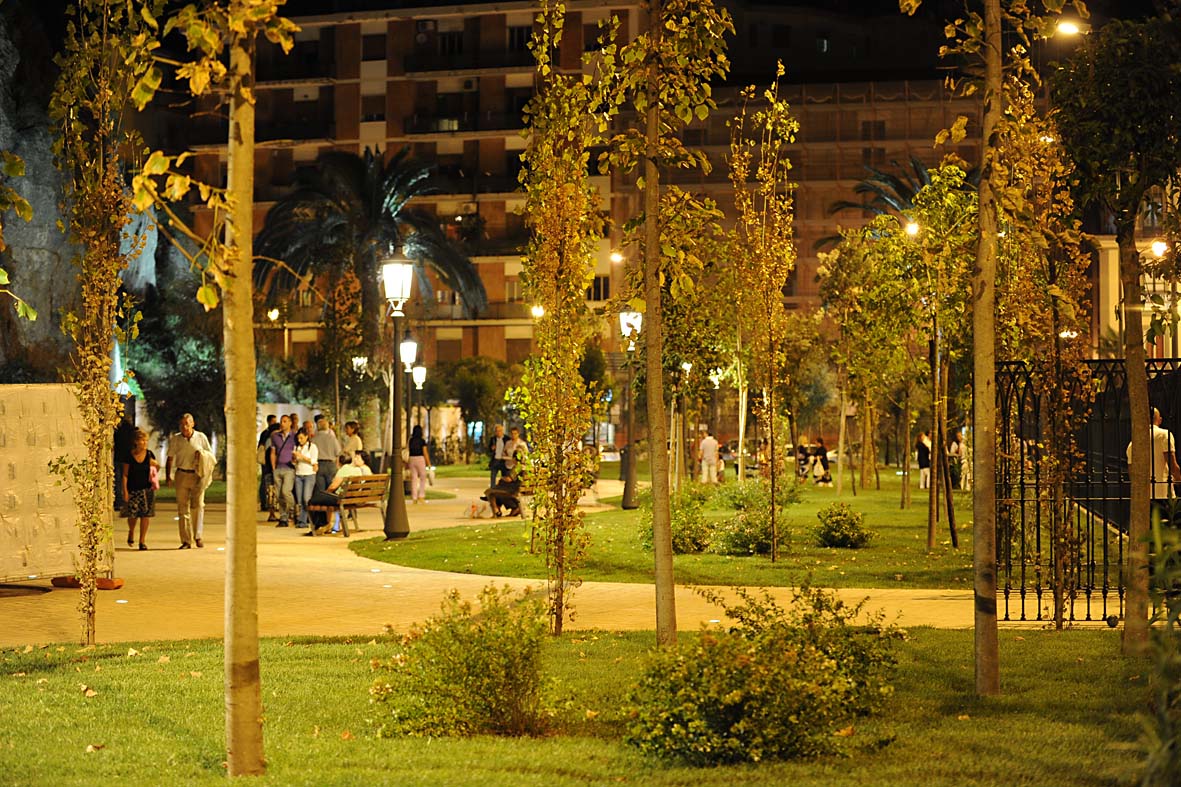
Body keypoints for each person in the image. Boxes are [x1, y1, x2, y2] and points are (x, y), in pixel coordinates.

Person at [165, 412, 213, 549]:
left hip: (197, 475)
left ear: (192, 424)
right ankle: (186, 540)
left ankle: (198, 536)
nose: (184, 427)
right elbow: (170, 457)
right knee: (182, 508)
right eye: (182, 424)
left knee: (198, 506)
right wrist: (168, 476)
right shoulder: (176, 439)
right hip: (181, 474)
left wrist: (202, 454)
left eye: (186, 423)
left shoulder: (201, 437)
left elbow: (210, 455)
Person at [1126, 406, 1181, 511]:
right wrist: (1178, 480)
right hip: (1163, 493)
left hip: (1143, 496)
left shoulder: (1133, 443)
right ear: (1160, 420)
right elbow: (1172, 465)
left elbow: (1132, 473)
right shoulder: (1164, 435)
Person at [121, 428, 158, 550]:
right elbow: (125, 475)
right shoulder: (129, 456)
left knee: (145, 515)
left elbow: (155, 470)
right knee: (132, 515)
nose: (145, 443)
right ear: (136, 441)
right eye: (142, 440)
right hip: (133, 489)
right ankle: (131, 531)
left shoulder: (149, 454)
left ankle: (142, 541)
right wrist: (125, 491)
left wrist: (156, 465)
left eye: (146, 441)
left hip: (147, 489)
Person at [309, 415, 342, 529]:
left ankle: (322, 521)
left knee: (321, 492)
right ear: (327, 426)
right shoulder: (332, 438)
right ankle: (333, 521)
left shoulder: (314, 439)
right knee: (332, 492)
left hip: (319, 466)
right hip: (331, 465)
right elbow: (338, 453)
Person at [269, 414, 297, 527]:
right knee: (279, 494)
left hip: (289, 468)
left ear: (290, 423)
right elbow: (273, 452)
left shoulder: (294, 437)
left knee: (286, 492)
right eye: (281, 421)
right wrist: (273, 467)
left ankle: (293, 510)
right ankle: (283, 517)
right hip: (278, 468)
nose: (282, 423)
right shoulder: (275, 436)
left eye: (285, 421)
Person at [292, 428, 318, 529]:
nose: (299, 440)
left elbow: (313, 461)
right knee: (300, 499)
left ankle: (305, 520)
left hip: (309, 475)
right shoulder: (296, 447)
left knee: (306, 498)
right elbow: (295, 462)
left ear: (307, 437)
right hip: (299, 474)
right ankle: (302, 520)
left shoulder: (312, 447)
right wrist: (294, 459)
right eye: (298, 438)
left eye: (301, 438)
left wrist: (301, 457)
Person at [257, 414, 278, 518]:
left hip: (268, 466)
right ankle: (268, 507)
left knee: (268, 487)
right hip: (269, 467)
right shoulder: (268, 436)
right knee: (268, 487)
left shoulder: (266, 435)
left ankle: (269, 508)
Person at [408, 424, 431, 504]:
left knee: (414, 479)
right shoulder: (422, 441)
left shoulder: (411, 441)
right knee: (423, 477)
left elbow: (408, 450)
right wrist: (428, 463)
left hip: (411, 459)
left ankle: (414, 497)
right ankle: (421, 496)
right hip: (420, 459)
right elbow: (425, 452)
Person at [487, 423, 508, 488]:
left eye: (500, 431)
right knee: (493, 476)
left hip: (503, 460)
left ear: (502, 431)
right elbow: (488, 450)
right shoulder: (493, 439)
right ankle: (492, 490)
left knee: (504, 476)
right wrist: (492, 448)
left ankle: (503, 489)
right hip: (495, 460)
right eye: (497, 431)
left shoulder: (506, 439)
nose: (498, 432)